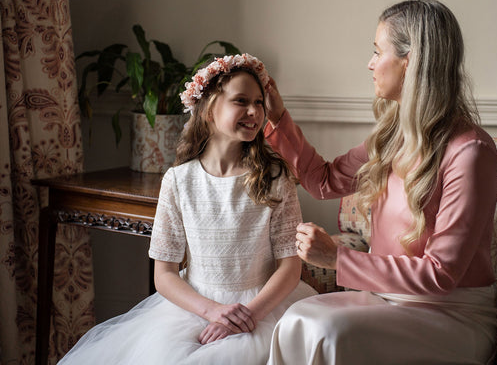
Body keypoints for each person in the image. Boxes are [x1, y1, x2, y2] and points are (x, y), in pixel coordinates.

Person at [264, 0, 497, 364]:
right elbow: (324, 181)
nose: (370, 63)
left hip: (452, 315)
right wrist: (277, 116)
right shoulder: (393, 138)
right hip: (383, 300)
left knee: (328, 331)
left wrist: (337, 257)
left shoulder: (470, 152)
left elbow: (441, 274)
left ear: (410, 62)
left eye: (378, 52)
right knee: (296, 320)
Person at [58, 54, 316, 365]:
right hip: (194, 309)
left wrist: (248, 316)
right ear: (209, 110)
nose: (254, 111)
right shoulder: (179, 181)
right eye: (241, 101)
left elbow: (290, 266)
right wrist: (214, 312)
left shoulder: (276, 177)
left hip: (264, 307)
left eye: (260, 102)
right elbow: (164, 275)